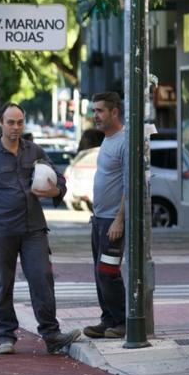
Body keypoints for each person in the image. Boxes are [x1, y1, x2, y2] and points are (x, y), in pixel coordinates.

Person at [0, 102, 81, 355]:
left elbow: (59, 179)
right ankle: (5, 335)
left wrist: (55, 190)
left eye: (19, 122)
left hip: (34, 230)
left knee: (42, 278)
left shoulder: (34, 151)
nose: (16, 127)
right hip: (1, 231)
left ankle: (51, 335)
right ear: (1, 124)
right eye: (11, 122)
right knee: (3, 283)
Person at [83, 92, 127, 339]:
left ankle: (122, 322)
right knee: (99, 272)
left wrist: (119, 220)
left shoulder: (124, 141)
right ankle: (108, 319)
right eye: (94, 111)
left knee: (107, 272)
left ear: (114, 112)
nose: (95, 116)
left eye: (100, 111)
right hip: (99, 219)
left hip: (113, 221)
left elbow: (130, 185)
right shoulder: (107, 140)